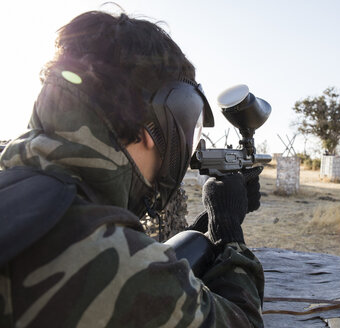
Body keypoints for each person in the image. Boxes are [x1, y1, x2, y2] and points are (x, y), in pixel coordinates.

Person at [0, 10, 264, 328]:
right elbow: (241, 323)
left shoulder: (23, 192)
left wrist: (208, 227)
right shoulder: (107, 259)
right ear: (151, 130)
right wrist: (230, 232)